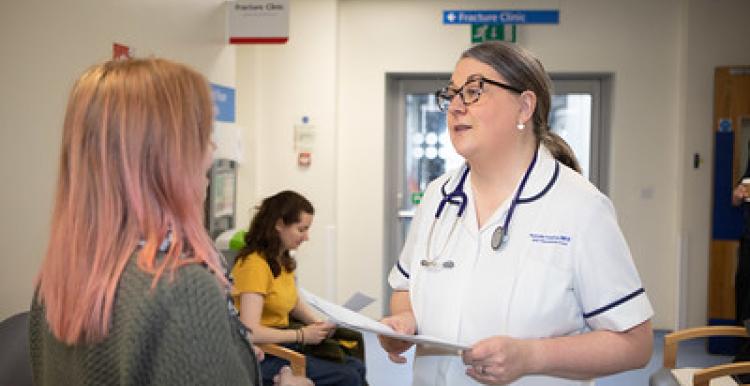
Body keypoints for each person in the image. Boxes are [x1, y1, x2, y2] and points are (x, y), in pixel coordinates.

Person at [378, 41, 654, 386]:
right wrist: (404, 321)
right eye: (452, 94)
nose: (455, 107)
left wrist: (532, 356)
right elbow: (405, 286)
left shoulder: (581, 208)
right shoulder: (437, 197)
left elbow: (635, 344)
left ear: (524, 107)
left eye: (474, 91)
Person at [29, 58, 310, 386]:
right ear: (169, 155)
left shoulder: (57, 277)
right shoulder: (182, 289)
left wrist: (224, 354)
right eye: (205, 136)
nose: (214, 151)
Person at [232, 190, 367, 386]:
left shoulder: (281, 259)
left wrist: (318, 323)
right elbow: (250, 331)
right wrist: (302, 335)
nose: (306, 237)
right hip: (265, 353)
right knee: (347, 376)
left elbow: (293, 302)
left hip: (284, 341)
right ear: (279, 225)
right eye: (301, 229)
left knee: (356, 366)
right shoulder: (254, 265)